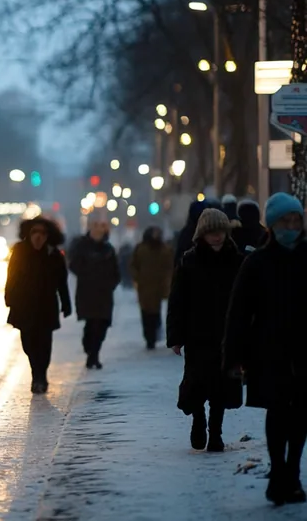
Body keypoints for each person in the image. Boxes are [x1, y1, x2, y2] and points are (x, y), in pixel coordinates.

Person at [225, 192, 307, 505]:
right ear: (272, 225)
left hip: (304, 351)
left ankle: (292, 473)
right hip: (269, 350)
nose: (292, 227)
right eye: (286, 221)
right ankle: (279, 472)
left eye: (296, 221)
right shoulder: (257, 262)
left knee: (300, 414)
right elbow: (238, 313)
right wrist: (233, 358)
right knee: (278, 411)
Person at [167, 209, 244, 452]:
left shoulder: (236, 261)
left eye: (220, 231)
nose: (217, 236)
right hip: (197, 335)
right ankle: (198, 421)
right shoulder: (189, 261)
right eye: (211, 232)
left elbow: (246, 300)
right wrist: (176, 337)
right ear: (202, 234)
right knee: (197, 385)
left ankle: (216, 433)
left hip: (226, 335)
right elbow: (177, 301)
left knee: (220, 386)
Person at [4, 216, 71, 393]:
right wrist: (9, 298)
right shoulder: (19, 251)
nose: (38, 236)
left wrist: (66, 303)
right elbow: (11, 276)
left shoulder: (54, 254)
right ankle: (36, 372)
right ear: (28, 233)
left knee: (44, 343)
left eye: (42, 233)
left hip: (46, 305)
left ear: (49, 235)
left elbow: (62, 281)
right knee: (28, 343)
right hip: (24, 305)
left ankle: (40, 376)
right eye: (34, 232)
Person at [68, 218, 121, 369]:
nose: (99, 232)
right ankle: (90, 351)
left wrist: (112, 282)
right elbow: (74, 265)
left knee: (102, 324)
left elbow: (115, 270)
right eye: (96, 228)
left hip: (104, 293)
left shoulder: (108, 249)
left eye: (101, 229)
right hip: (87, 292)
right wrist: (87, 275)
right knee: (91, 323)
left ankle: (94, 354)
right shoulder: (82, 247)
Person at [130, 226, 174, 350]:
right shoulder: (141, 249)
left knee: (155, 311)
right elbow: (134, 265)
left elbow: (170, 266)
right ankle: (150, 337)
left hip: (158, 286)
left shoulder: (165, 250)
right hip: (145, 285)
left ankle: (152, 335)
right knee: (146, 312)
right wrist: (137, 278)